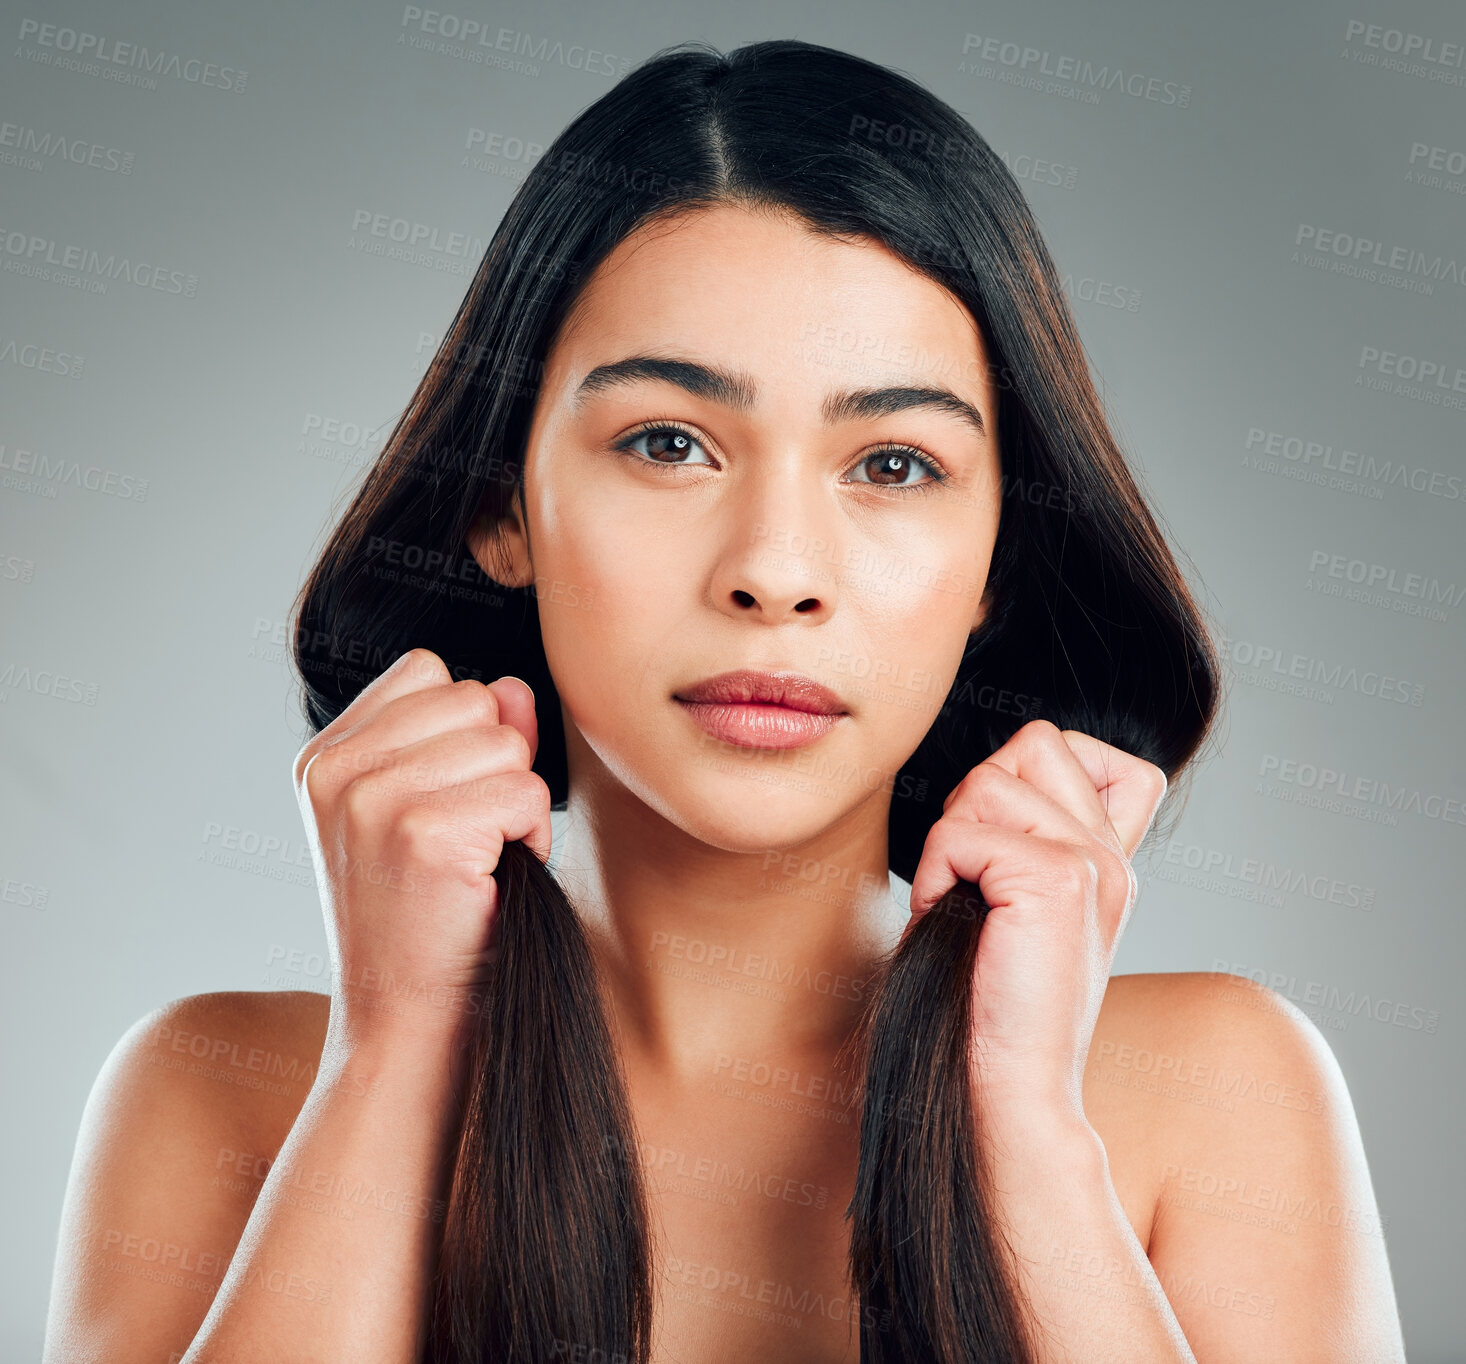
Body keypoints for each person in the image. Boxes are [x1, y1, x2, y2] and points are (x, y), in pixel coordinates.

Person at [43, 37, 1406, 1364]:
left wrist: (1029, 1133)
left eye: (891, 464)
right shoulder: (216, 1094)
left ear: (1002, 558)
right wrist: (393, 1050)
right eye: (667, 442)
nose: (772, 571)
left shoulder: (1211, 1091)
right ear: (498, 507)